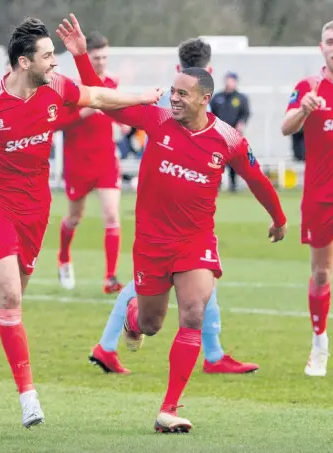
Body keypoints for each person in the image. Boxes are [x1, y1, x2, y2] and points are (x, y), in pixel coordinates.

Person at [0, 17, 162, 428]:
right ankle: (29, 397)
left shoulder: (56, 89)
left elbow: (97, 95)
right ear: (25, 62)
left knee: (10, 298)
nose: (55, 64)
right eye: (48, 57)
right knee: (10, 296)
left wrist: (143, 97)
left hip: (35, 207)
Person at [58, 13, 287, 433]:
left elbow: (257, 179)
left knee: (194, 313)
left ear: (204, 99)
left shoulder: (229, 139)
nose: (174, 98)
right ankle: (131, 316)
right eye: (173, 91)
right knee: (150, 324)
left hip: (195, 241)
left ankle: (169, 409)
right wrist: (79, 59)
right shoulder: (155, 119)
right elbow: (99, 99)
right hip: (150, 242)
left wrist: (279, 218)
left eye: (183, 93)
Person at [88, 38, 259, 376]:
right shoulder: (173, 109)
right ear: (206, 71)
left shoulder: (176, 101)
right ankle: (108, 345)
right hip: (167, 213)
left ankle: (212, 353)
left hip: (177, 210)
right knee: (151, 287)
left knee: (201, 283)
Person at [281, 19, 333, 376]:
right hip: (321, 195)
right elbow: (286, 127)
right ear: (321, 48)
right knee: (322, 275)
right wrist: (304, 109)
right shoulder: (308, 87)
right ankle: (319, 344)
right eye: (330, 41)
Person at [53, 31, 126, 294]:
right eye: (97, 57)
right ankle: (63, 258)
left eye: (105, 57)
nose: (102, 62)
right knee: (74, 217)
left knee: (111, 215)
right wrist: (86, 111)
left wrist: (123, 122)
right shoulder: (72, 87)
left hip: (105, 160)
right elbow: (57, 123)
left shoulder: (112, 82)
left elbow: (116, 111)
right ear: (87, 57)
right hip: (78, 162)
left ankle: (110, 277)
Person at [210, 72, 251, 192]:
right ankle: (216, 184)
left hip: (234, 135)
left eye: (231, 80)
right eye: (227, 80)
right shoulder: (217, 97)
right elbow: (210, 113)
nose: (229, 83)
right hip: (219, 134)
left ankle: (233, 185)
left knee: (233, 160)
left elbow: (245, 113)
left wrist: (241, 123)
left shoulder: (241, 98)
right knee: (217, 159)